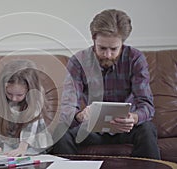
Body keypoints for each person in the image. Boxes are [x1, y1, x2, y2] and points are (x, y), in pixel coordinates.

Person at [52, 9, 160, 159]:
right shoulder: (78, 62)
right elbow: (68, 105)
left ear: (123, 42)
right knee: (59, 133)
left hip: (126, 129)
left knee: (148, 129)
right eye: (102, 48)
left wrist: (134, 118)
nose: (107, 55)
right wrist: (80, 116)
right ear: (93, 39)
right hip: (90, 129)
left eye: (114, 49)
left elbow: (146, 105)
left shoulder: (135, 59)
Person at [0, 59, 53, 157]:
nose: (14, 99)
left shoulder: (36, 102)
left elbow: (30, 128)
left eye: (19, 95)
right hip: (8, 146)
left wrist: (22, 148)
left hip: (32, 147)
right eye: (9, 94)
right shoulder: (1, 102)